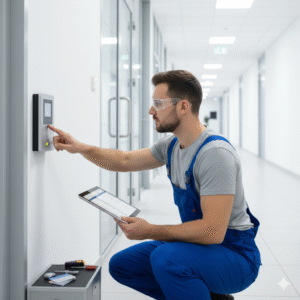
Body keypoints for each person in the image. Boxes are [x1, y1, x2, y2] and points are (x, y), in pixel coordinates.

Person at [48, 70, 262, 300]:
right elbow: (124, 160)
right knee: (122, 265)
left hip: (235, 255)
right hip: (202, 245)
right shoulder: (171, 146)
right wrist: (80, 147)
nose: (151, 110)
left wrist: (149, 230)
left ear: (183, 107)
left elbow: (212, 232)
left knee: (167, 259)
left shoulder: (215, 154)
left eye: (158, 103)